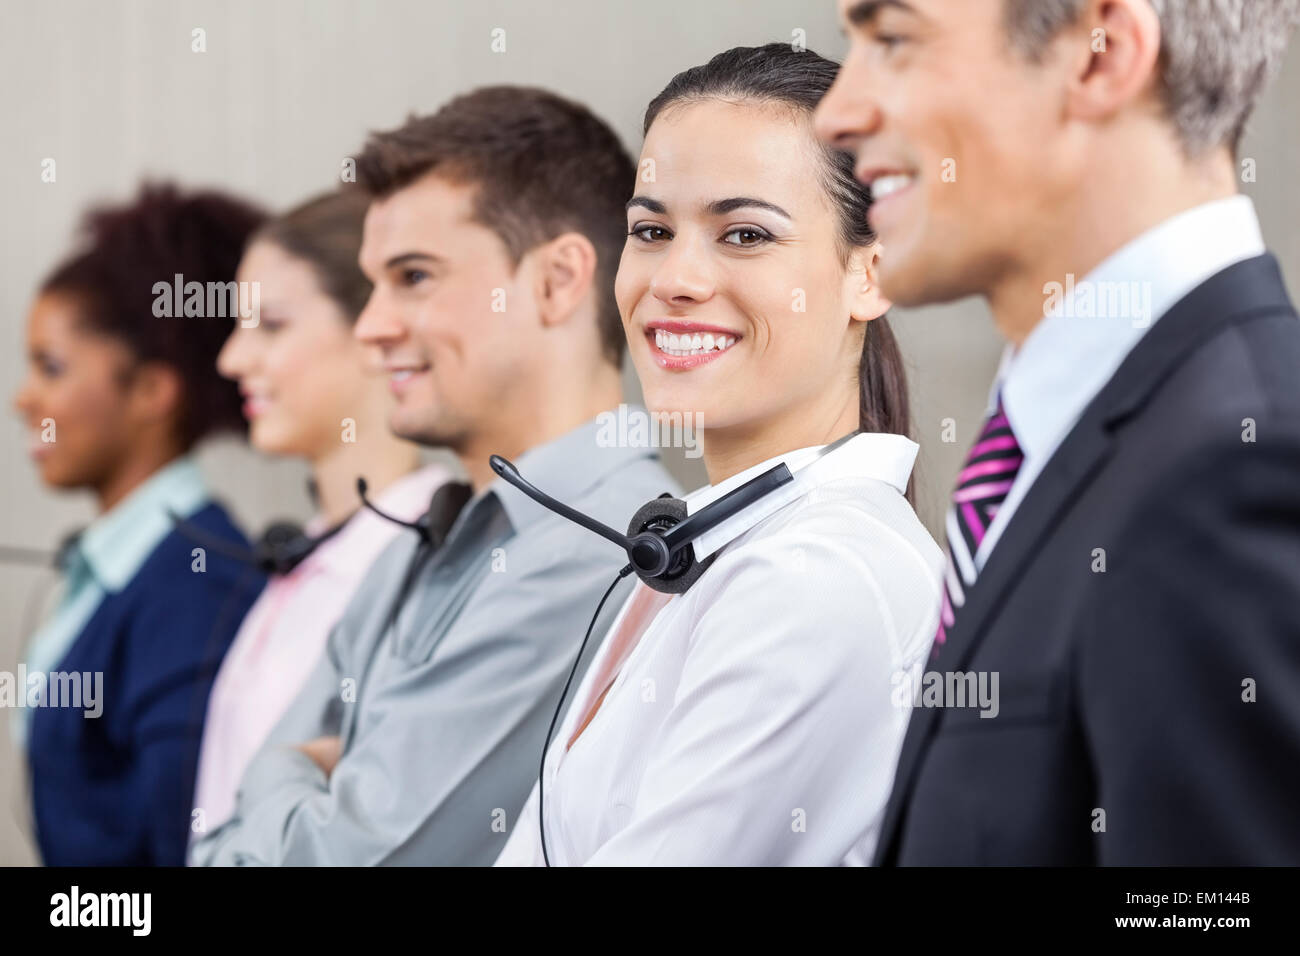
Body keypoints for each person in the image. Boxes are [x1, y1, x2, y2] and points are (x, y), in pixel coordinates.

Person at [816, 0, 1300, 864]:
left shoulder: (1236, 467)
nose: (839, 112)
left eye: (892, 39)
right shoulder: (1088, 435)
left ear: (1099, 56)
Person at [189, 86, 679, 866]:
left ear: (557, 282)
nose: (373, 325)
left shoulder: (600, 552)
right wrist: (299, 793)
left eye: (413, 276)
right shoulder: (419, 540)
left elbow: (351, 859)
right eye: (373, 282)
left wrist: (279, 770)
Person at [496, 44, 944, 866]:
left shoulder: (816, 574)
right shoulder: (706, 554)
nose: (677, 277)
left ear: (870, 274)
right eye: (651, 230)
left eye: (744, 233)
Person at [11, 182, 267, 865]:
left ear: (153, 391)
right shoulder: (114, 567)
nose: (23, 399)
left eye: (52, 367)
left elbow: (174, 851)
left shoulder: (195, 584)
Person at [191, 189, 453, 834]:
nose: (232, 359)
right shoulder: (310, 554)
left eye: (271, 326)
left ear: (374, 326)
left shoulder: (427, 559)